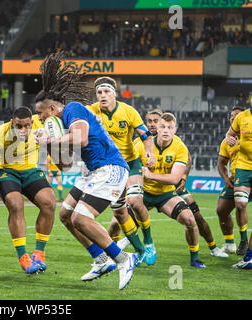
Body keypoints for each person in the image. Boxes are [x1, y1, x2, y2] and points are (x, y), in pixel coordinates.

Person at [34, 52, 137, 290]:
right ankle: (100, 259)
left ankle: (123, 259)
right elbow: (65, 165)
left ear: (51, 108)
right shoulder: (63, 123)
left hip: (110, 168)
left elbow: (80, 139)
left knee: (81, 218)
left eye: (41, 113)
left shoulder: (73, 109)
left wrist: (52, 140)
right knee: (66, 216)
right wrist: (49, 145)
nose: (39, 118)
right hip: (93, 171)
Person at [82, 76, 157, 273]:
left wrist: (149, 152)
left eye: (106, 92)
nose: (102, 95)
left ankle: (148, 241)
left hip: (130, 162)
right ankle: (139, 250)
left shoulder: (128, 111)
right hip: (108, 166)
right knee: (119, 211)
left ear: (115, 93)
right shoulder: (91, 111)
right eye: (99, 92)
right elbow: (80, 135)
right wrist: (90, 124)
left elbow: (146, 136)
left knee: (134, 201)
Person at [133, 109, 227, 258]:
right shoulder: (141, 142)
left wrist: (183, 177)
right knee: (128, 216)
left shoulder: (176, 143)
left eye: (155, 121)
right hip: (148, 188)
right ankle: (129, 247)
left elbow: (188, 160)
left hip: (171, 187)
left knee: (195, 214)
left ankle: (213, 247)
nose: (152, 124)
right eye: (149, 121)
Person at [0, 106, 56, 274]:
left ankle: (39, 253)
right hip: (6, 171)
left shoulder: (40, 125)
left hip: (30, 170)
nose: (24, 130)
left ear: (32, 122)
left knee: (49, 203)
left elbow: (57, 112)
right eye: (19, 126)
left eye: (27, 125)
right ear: (12, 123)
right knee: (16, 205)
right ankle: (23, 257)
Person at [139, 112, 205, 268]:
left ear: (175, 129)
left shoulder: (180, 147)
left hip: (166, 195)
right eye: (163, 126)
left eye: (170, 127)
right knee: (117, 220)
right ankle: (111, 255)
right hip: (143, 193)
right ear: (157, 128)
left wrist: (149, 174)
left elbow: (175, 179)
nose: (166, 130)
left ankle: (194, 258)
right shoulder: (141, 144)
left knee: (190, 219)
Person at [217, 107, 249, 255]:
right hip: (237, 179)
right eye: (231, 116)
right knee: (222, 209)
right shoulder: (227, 142)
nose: (233, 118)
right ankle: (231, 243)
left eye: (236, 116)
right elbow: (221, 163)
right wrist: (225, 179)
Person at [225, 105, 252, 258]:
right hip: (243, 166)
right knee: (240, 204)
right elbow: (229, 134)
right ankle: (243, 239)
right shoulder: (242, 117)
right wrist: (229, 139)